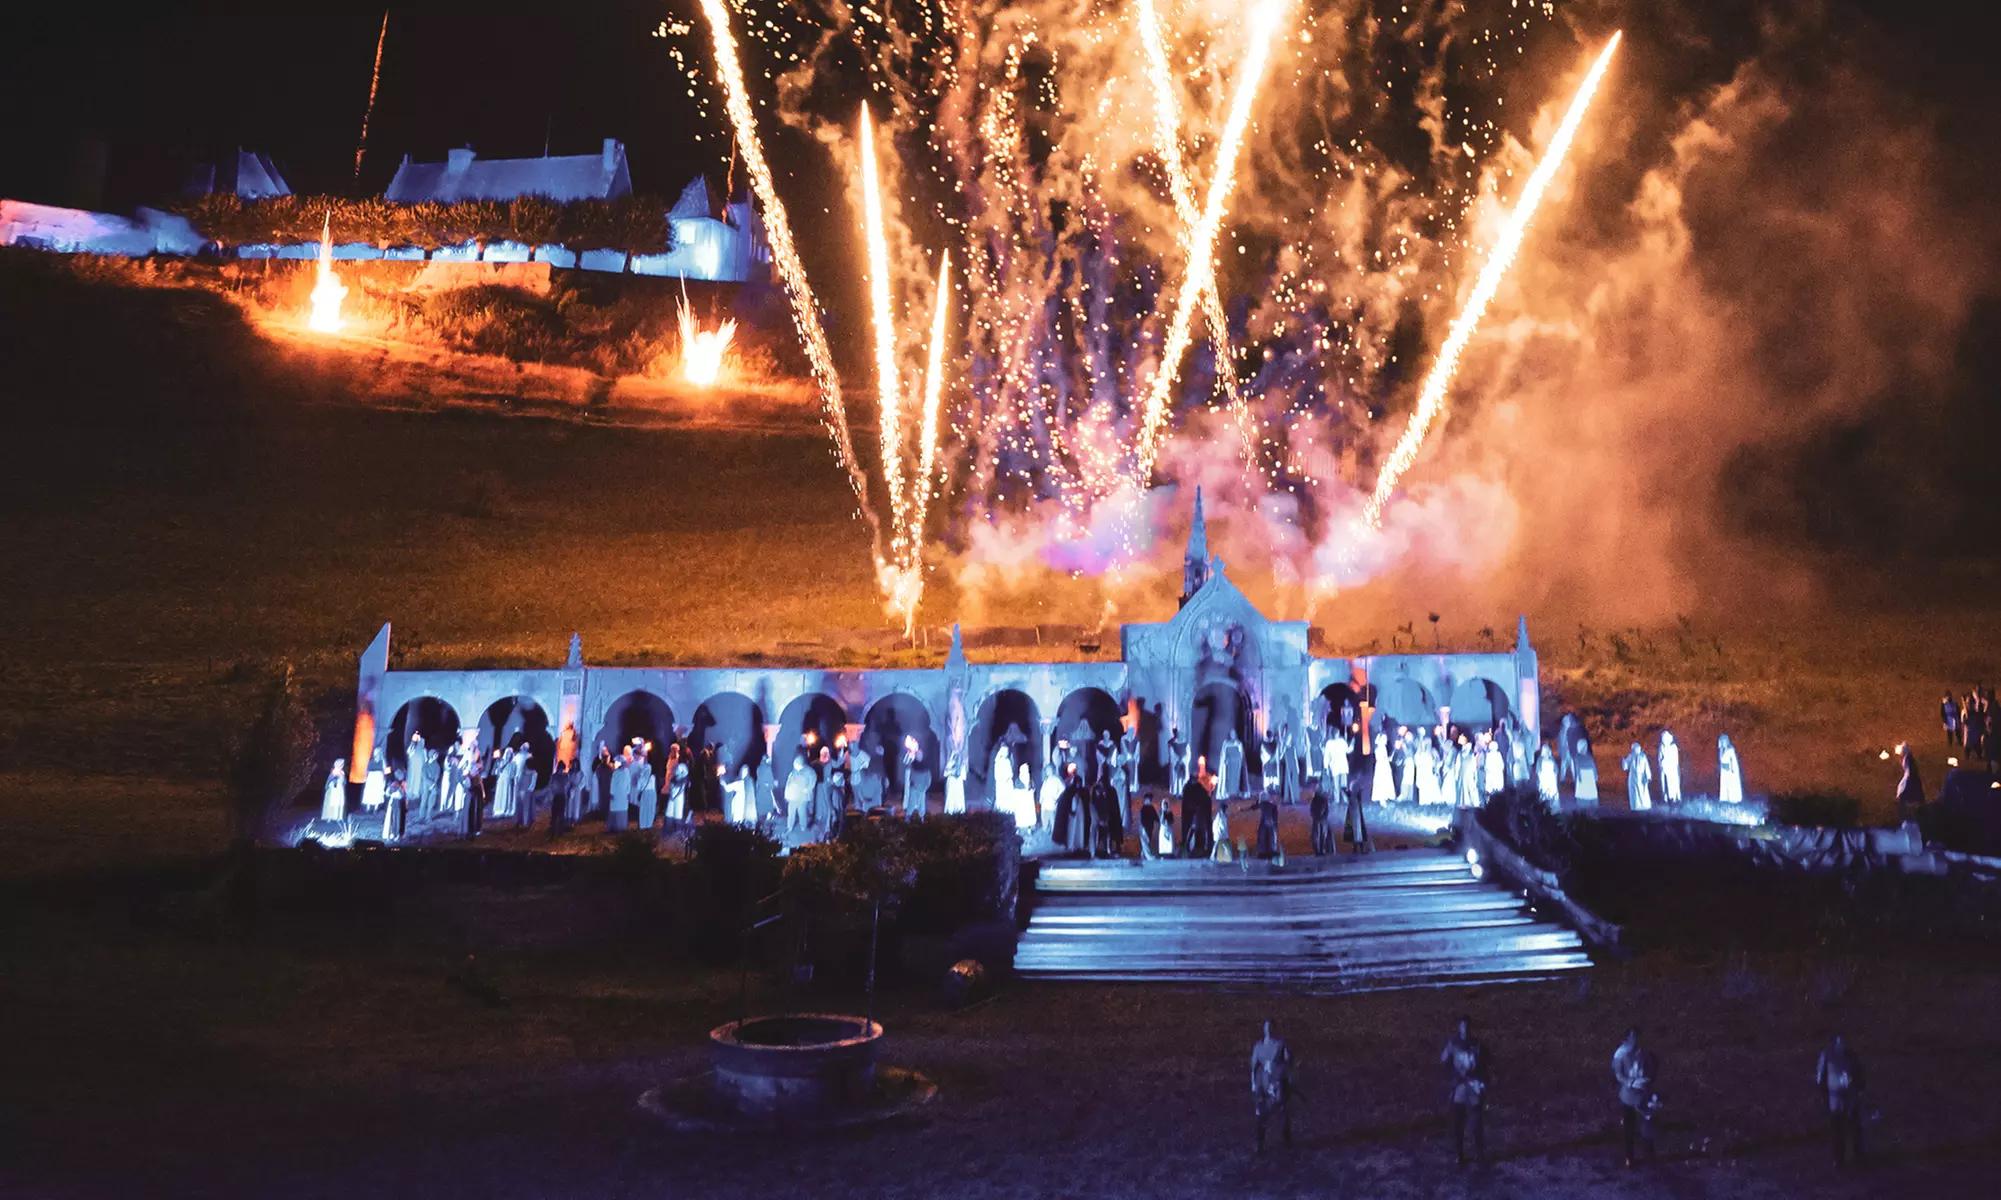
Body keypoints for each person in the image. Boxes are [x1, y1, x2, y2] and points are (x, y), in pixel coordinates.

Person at [1440, 1016, 1489, 1166]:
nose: (1465, 1030)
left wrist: (1483, 1084)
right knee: (1458, 1124)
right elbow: (1443, 1063)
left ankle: (1479, 1155)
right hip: (1460, 1088)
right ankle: (1459, 1154)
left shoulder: (1477, 1045)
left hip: (1473, 1086)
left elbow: (1486, 1066)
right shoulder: (1452, 1044)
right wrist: (1454, 1077)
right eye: (1462, 1027)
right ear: (1459, 1028)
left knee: (1476, 1123)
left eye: (1467, 1027)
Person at [1816, 1033, 1867, 1167]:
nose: (1843, 1044)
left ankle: (1858, 1156)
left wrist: (1860, 1088)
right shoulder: (1827, 1055)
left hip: (1850, 1096)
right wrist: (1823, 1095)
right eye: (1840, 1042)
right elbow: (1821, 1077)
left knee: (1855, 1127)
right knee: (1837, 1128)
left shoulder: (1851, 1055)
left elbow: (1859, 1072)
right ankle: (1838, 1158)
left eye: (1845, 1042)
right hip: (1835, 1097)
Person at [1612, 1027, 1660, 1167]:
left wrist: (1647, 1081)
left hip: (1643, 1094)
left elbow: (1652, 1069)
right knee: (1629, 1126)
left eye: (1637, 1037)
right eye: (1632, 1037)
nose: (1635, 1040)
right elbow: (1619, 1074)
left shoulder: (1645, 1053)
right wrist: (1631, 1082)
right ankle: (1629, 1156)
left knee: (1647, 1124)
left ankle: (1649, 1154)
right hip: (1628, 1095)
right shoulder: (1621, 1054)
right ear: (1627, 1038)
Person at [1250, 1019, 1293, 1152]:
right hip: (1262, 1082)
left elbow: (1288, 1061)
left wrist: (1282, 1072)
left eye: (1270, 1026)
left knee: (1281, 1110)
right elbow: (1254, 1066)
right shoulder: (1258, 1046)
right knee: (1261, 1113)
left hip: (1276, 1081)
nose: (1268, 1029)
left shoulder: (1280, 1043)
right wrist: (1253, 1082)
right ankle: (1260, 1144)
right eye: (1266, 1026)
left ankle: (1287, 1140)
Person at [1182, 768, 1214, 859]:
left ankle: (1201, 849)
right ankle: (1189, 850)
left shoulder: (1199, 787)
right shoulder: (1187, 788)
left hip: (1200, 815)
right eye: (1194, 778)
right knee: (1191, 832)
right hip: (1191, 816)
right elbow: (1187, 802)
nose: (1196, 780)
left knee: (1201, 832)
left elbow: (1205, 796)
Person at [784, 752, 816, 839]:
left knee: (802, 813)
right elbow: (788, 783)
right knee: (791, 813)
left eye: (796, 764)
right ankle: (789, 828)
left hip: (802, 797)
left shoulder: (809, 771)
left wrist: (808, 789)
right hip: (793, 798)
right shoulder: (793, 772)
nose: (794, 765)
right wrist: (787, 795)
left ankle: (803, 827)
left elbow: (813, 780)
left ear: (800, 764)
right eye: (794, 764)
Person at [1895, 743, 1924, 819]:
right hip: (1910, 780)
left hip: (1910, 781)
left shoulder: (1909, 760)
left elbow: (1910, 772)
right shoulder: (1908, 759)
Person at [1622, 742, 1654, 811]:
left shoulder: (1642, 756)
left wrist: (1648, 776)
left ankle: (1644, 804)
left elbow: (1646, 767)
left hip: (1641, 777)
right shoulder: (1631, 756)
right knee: (1635, 791)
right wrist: (1624, 761)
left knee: (1642, 791)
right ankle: (1636, 805)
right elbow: (1625, 766)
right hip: (1633, 777)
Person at [1218, 729, 1246, 803]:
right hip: (1228, 764)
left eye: (1233, 733)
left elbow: (1241, 754)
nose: (1232, 735)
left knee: (1235, 778)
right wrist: (1225, 760)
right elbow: (1223, 753)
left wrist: (1238, 760)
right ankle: (1228, 792)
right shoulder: (1226, 743)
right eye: (1231, 733)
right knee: (1228, 778)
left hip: (1236, 764)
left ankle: (1236, 792)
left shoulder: (1238, 743)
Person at [1717, 734, 1744, 804]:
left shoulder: (1730, 750)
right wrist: (1720, 748)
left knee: (1731, 787)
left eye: (1723, 741)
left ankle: (1733, 801)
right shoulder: (1722, 750)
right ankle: (1725, 800)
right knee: (1725, 788)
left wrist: (1731, 769)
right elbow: (1721, 760)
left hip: (1730, 771)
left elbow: (1733, 762)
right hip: (1724, 771)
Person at [1657, 731, 1682, 804]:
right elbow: (1660, 757)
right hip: (1664, 768)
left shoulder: (1673, 747)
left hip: (1672, 769)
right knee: (1664, 783)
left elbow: (1676, 759)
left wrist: (1673, 766)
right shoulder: (1661, 747)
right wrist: (1661, 764)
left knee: (1673, 783)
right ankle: (1666, 798)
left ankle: (1674, 798)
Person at [1309, 782, 1334, 856]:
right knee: (1321, 836)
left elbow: (1315, 810)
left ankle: (1319, 851)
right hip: (1321, 820)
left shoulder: (1318, 799)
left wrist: (1315, 816)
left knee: (1318, 836)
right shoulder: (1321, 799)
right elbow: (1325, 810)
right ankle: (1321, 851)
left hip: (1319, 819)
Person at [1573, 740, 1600, 806]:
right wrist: (1595, 776)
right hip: (1588, 777)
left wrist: (1578, 778)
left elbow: (1577, 769)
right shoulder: (1587, 757)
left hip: (1585, 777)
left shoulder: (1578, 757)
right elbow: (1594, 770)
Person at [361, 748, 388, 812]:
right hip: (371, 778)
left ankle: (375, 808)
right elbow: (366, 770)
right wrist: (366, 778)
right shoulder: (371, 761)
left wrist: (383, 759)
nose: (377, 754)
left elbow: (385, 770)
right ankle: (368, 808)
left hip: (379, 778)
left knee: (377, 792)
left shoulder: (382, 761)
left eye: (378, 753)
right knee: (370, 792)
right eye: (376, 753)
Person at [1536, 742, 1560, 809]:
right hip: (1544, 780)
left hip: (1551, 780)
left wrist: (1555, 777)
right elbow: (1538, 771)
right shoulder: (1540, 760)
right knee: (1544, 795)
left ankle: (1554, 808)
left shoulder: (1552, 759)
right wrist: (1540, 780)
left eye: (1548, 751)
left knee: (1553, 795)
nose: (1546, 753)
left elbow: (1556, 770)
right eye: (1545, 751)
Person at [1139, 790, 1161, 859]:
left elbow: (1155, 816)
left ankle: (1143, 854)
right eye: (1148, 799)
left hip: (1150, 826)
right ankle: (1147, 855)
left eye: (1150, 799)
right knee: (1146, 840)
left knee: (1148, 840)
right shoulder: (1143, 808)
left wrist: (1159, 820)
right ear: (1145, 800)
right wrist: (1142, 826)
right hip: (1145, 827)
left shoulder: (1151, 808)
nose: (1150, 801)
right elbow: (1142, 818)